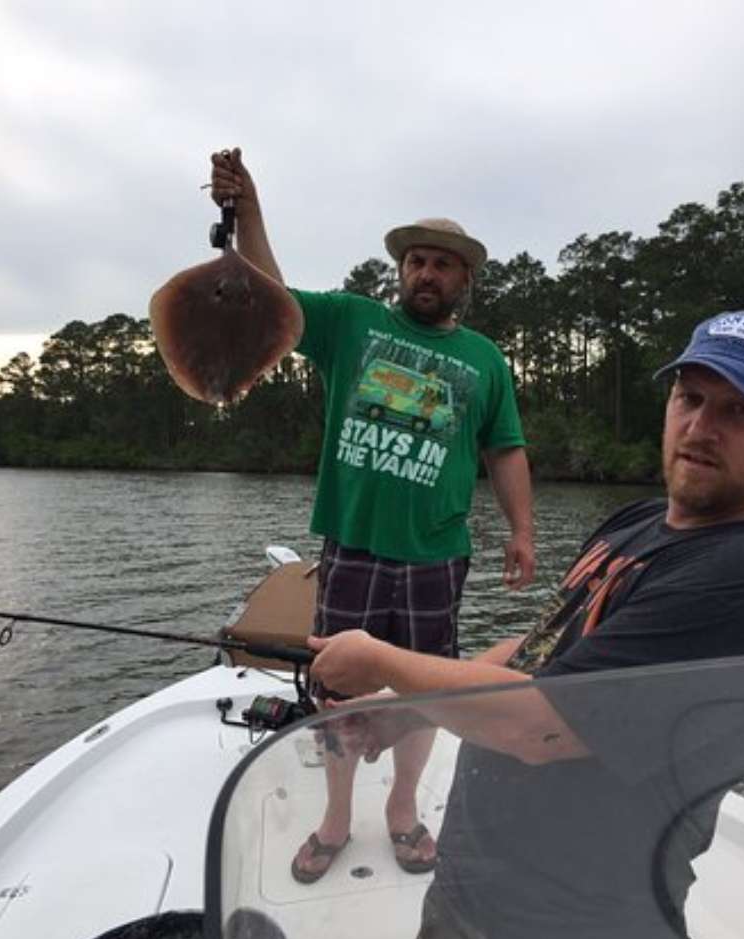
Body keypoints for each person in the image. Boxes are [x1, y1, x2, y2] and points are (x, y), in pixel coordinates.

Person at [307, 310, 744, 939]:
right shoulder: (638, 522)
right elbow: (539, 648)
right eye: (691, 398)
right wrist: (402, 710)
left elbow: (539, 728)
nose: (702, 427)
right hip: (472, 902)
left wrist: (381, 661)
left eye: (740, 410)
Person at [210, 148, 535, 882]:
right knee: (334, 691)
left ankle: (402, 809)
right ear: (401, 270)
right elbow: (270, 294)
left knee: (424, 690)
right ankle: (334, 817)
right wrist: (250, 210)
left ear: (465, 281)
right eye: (417, 260)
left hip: (437, 554)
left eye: (443, 265)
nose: (427, 273)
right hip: (352, 547)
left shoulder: (485, 360)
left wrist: (522, 531)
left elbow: (506, 449)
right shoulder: (349, 324)